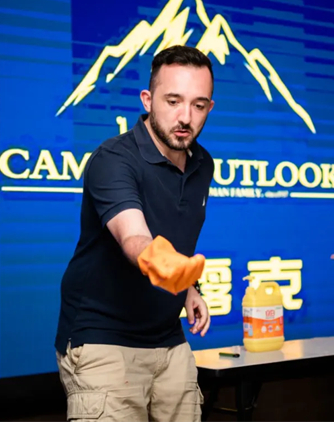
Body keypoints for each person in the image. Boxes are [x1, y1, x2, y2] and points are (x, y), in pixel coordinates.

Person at [55, 45, 216, 422]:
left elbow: (173, 232)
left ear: (209, 107)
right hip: (103, 341)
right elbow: (135, 239)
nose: (185, 117)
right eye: (173, 101)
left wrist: (188, 288)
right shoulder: (114, 159)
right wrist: (175, 271)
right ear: (147, 99)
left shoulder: (202, 163)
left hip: (169, 340)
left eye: (198, 105)